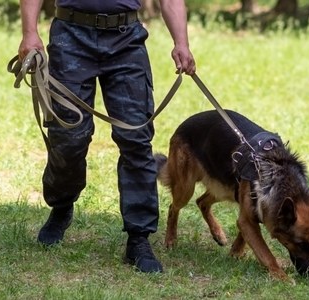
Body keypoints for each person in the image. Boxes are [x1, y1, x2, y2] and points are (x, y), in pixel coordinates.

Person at [17, 0, 196, 273]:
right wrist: (29, 32)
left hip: (126, 39)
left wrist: (181, 42)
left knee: (136, 138)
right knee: (68, 138)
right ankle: (62, 205)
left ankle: (138, 238)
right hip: (71, 35)